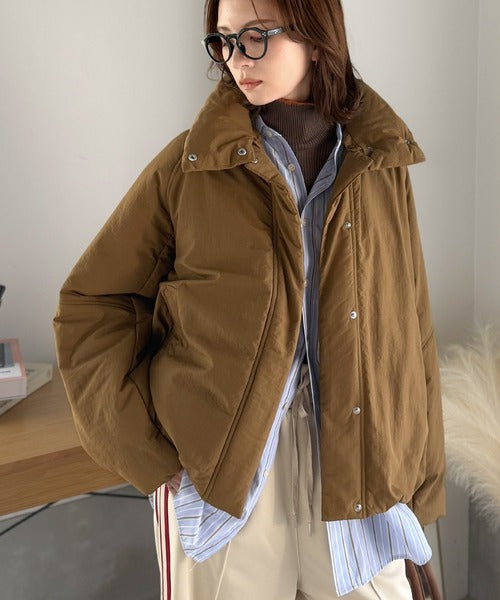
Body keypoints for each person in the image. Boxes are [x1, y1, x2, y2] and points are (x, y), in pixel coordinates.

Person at [53, 0, 446, 598]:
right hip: (223, 475)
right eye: (225, 40)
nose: (237, 58)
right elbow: (92, 303)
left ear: (317, 35)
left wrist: (419, 485)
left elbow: (411, 328)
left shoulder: (380, 163)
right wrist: (154, 458)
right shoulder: (190, 166)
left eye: (257, 36)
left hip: (360, 465)